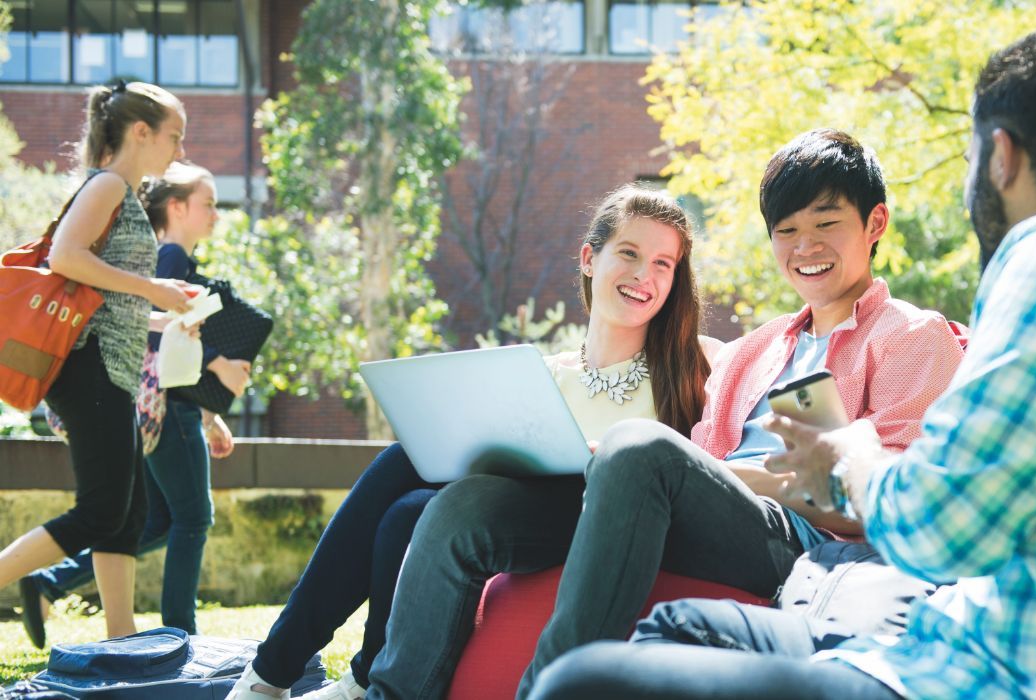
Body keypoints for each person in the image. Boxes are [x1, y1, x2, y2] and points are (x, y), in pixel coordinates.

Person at [527, 25, 1036, 700]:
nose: (804, 247)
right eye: (788, 230)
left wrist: (848, 453)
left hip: (969, 671)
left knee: (585, 681)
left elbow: (939, 527)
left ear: (1001, 155)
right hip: (949, 636)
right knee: (677, 633)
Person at [363, 128, 966, 699]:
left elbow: (894, 498)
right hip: (695, 514)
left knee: (638, 446)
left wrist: (726, 474)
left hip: (801, 540)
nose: (804, 247)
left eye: (827, 224)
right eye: (787, 230)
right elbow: (702, 459)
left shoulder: (909, 335)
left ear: (875, 223)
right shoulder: (755, 349)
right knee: (468, 505)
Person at [227, 185, 714, 700]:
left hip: (599, 518)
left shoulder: (696, 364)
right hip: (508, 509)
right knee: (405, 490)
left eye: (664, 264)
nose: (645, 276)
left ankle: (289, 675)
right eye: (630, 254)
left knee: (413, 486)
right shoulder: (539, 374)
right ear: (590, 259)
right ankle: (282, 677)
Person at [17, 162, 249, 648]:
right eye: (207, 204)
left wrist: (210, 406)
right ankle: (180, 632)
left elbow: (151, 326)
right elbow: (139, 327)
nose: (215, 214)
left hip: (140, 401)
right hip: (144, 402)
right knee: (176, 516)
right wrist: (215, 371)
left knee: (140, 516)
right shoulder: (163, 255)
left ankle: (107, 627)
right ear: (177, 207)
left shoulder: (163, 255)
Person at [0, 80, 198, 642]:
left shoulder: (125, 195)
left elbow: (109, 299)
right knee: (101, 510)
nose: (179, 152)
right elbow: (66, 255)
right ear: (140, 132)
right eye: (173, 137)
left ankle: (121, 638)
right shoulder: (108, 184)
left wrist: (165, 311)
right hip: (89, 368)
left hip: (109, 368)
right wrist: (152, 286)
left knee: (128, 514)